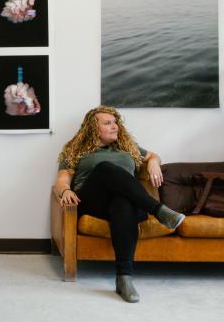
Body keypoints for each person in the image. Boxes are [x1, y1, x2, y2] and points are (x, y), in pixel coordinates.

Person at [55, 106, 185, 303]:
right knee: (106, 168)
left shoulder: (127, 146)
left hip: (128, 203)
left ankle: (124, 278)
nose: (115, 126)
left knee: (123, 202)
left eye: (115, 122)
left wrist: (153, 162)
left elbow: (152, 155)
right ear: (93, 128)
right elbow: (62, 180)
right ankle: (158, 211)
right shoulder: (76, 150)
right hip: (93, 202)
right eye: (108, 123)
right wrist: (65, 190)